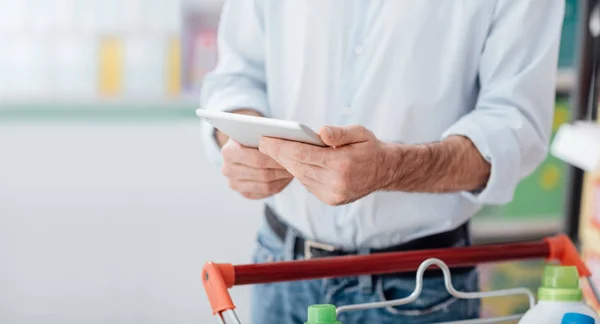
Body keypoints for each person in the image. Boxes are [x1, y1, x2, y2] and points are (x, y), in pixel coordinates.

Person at [200, 1, 564, 323]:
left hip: (419, 285)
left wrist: (392, 168)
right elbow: (237, 75)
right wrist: (239, 139)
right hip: (280, 268)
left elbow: (515, 127)